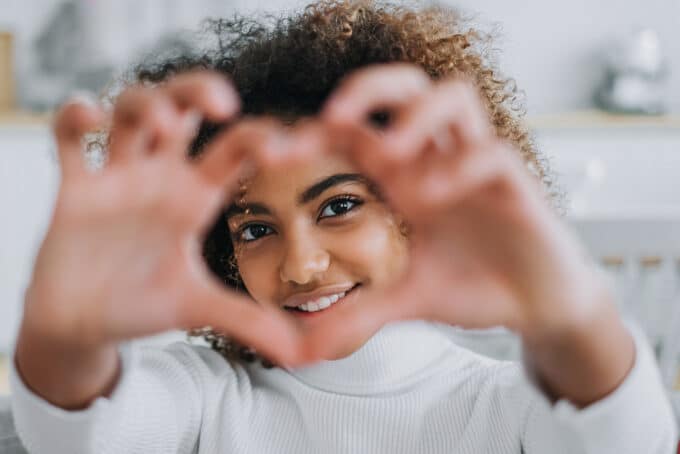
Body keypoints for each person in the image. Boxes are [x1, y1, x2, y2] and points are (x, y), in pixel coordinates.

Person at [9, 1, 677, 453]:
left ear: (418, 210)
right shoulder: (205, 394)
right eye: (253, 229)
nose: (301, 267)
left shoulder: (505, 405)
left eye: (338, 207)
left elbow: (629, 436)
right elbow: (77, 432)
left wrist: (569, 312)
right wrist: (66, 327)